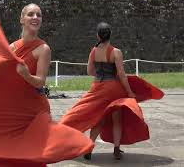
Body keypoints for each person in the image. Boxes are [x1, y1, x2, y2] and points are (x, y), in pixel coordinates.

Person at [0, 4, 94, 167]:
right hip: (13, 112)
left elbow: (40, 81)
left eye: (39, 15)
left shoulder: (43, 49)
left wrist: (26, 75)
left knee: (32, 155)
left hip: (33, 112)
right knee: (12, 154)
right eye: (31, 14)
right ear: (22, 19)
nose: (35, 17)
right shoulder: (11, 48)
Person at [60, 22, 163, 160]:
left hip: (97, 87)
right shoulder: (116, 52)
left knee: (98, 119)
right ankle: (116, 150)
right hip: (114, 89)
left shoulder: (93, 51)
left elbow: (90, 71)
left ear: (97, 35)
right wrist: (130, 91)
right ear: (110, 35)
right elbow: (121, 74)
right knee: (117, 119)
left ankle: (89, 147)